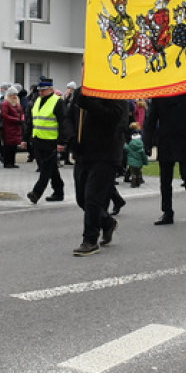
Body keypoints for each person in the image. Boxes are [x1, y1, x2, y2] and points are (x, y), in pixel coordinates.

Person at [65, 87, 126, 256]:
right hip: (82, 153)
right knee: (81, 198)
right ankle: (107, 223)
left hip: (105, 154)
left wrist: (91, 105)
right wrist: (71, 138)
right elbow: (69, 118)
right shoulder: (79, 92)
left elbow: (115, 118)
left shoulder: (112, 92)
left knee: (92, 198)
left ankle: (90, 240)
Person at [143, 92, 186, 225]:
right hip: (166, 141)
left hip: (185, 140)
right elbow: (151, 120)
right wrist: (147, 142)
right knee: (165, 180)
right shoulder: (159, 95)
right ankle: (167, 212)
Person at [27, 77, 67, 203]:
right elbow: (31, 121)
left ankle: (36, 193)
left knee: (45, 169)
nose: (41, 92)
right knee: (51, 168)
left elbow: (63, 123)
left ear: (51, 89)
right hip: (38, 139)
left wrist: (61, 142)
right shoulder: (37, 101)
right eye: (40, 90)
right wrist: (25, 138)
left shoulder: (58, 102)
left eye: (43, 90)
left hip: (51, 141)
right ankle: (59, 191)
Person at [0, 86, 24, 168]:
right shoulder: (5, 103)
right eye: (13, 95)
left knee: (14, 146)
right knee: (8, 146)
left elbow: (21, 113)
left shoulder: (17, 103)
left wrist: (22, 118)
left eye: (16, 95)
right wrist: (16, 119)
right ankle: (7, 162)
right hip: (9, 127)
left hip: (16, 127)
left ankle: (12, 162)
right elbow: (5, 115)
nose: (15, 96)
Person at [124, 121, 148, 187]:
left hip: (131, 161)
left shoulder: (131, 144)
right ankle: (139, 180)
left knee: (133, 173)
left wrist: (124, 145)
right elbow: (143, 155)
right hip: (139, 162)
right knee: (138, 172)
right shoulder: (141, 146)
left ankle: (133, 182)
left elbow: (127, 147)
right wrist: (145, 161)